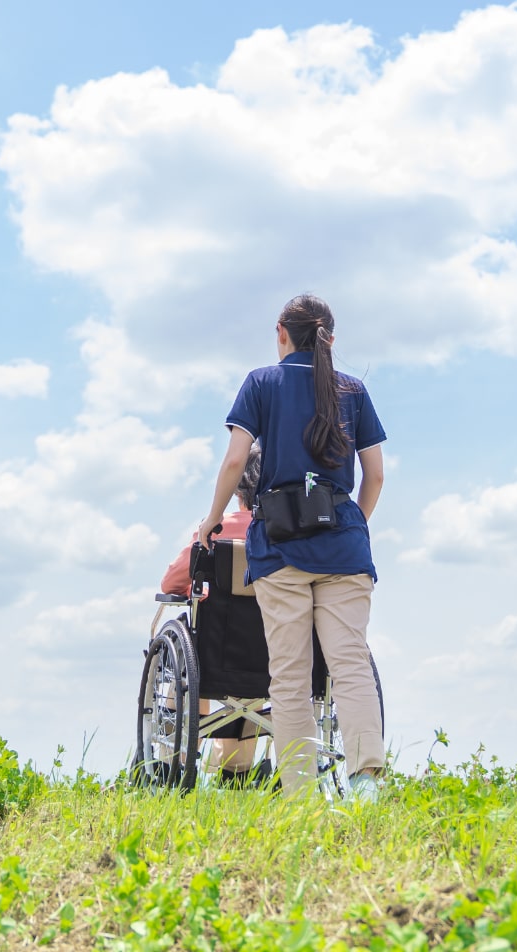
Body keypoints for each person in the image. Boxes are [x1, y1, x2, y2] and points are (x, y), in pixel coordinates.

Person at [196, 294, 387, 801]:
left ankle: (301, 797)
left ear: (281, 331)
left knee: (290, 675)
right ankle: (366, 783)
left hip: (280, 545)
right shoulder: (354, 390)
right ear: (330, 337)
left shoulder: (262, 383)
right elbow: (376, 475)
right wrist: (352, 526)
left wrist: (212, 521)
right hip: (344, 545)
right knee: (349, 664)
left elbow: (237, 462)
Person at [160, 444, 264, 782]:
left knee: (189, 662)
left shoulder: (215, 531)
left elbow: (172, 582)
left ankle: (169, 763)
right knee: (260, 672)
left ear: (237, 487)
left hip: (213, 657)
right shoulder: (290, 539)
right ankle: (236, 768)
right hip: (275, 659)